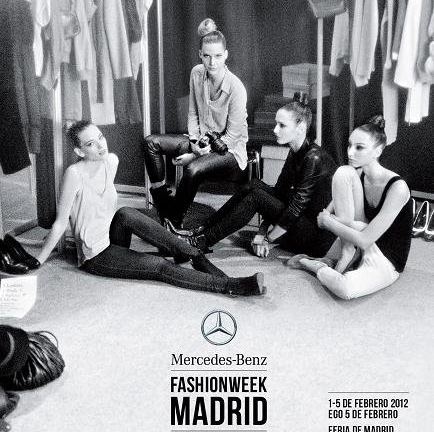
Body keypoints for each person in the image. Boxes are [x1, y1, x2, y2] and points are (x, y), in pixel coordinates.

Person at [36, 121, 266, 297]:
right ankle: (231, 286)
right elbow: (60, 222)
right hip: (96, 254)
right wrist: (37, 261)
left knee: (126, 212)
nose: (100, 145)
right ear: (79, 152)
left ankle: (195, 256)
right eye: (90, 144)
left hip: (112, 237)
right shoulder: (74, 174)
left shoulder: (111, 161)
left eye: (101, 137)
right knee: (160, 267)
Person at [166, 93, 337, 257]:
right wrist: (261, 231)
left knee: (256, 196)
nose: (275, 130)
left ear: (300, 128)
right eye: (276, 124)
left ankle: (201, 242)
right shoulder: (295, 152)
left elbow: (294, 209)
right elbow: (278, 195)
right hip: (299, 223)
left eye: (282, 125)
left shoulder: (313, 158)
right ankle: (201, 230)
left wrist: (267, 238)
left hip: (314, 238)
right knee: (255, 184)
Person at [289, 116, 412, 300]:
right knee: (343, 171)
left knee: (344, 289)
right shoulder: (358, 174)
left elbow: (365, 239)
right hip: (358, 236)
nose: (350, 152)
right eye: (349, 145)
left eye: (359, 147)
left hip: (385, 257)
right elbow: (336, 202)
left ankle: (318, 266)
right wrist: (327, 213)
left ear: (378, 151)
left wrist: (329, 222)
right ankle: (347, 252)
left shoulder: (398, 188)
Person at [143, 18, 248, 226]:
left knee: (192, 169)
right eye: (207, 56)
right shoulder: (196, 73)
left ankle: (174, 222)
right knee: (150, 143)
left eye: (218, 56)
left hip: (229, 151)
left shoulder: (236, 88)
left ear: (226, 55)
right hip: (200, 141)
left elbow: (232, 137)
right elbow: (192, 114)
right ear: (200, 54)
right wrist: (193, 142)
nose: (212, 62)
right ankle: (163, 205)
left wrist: (194, 155)